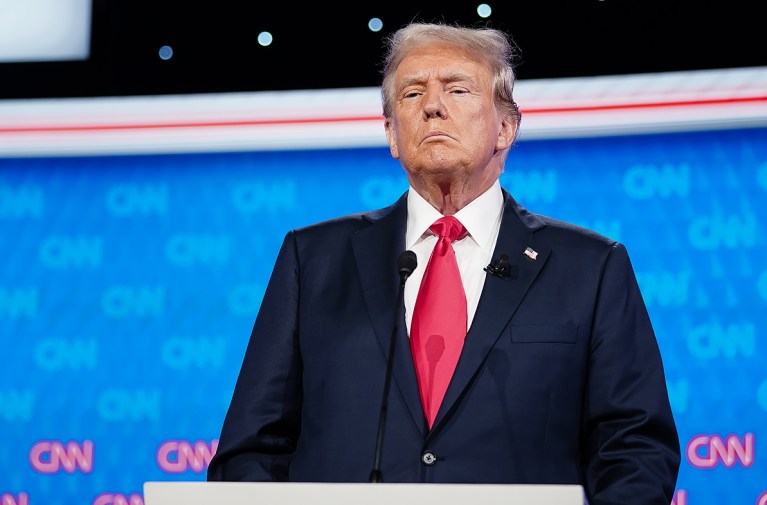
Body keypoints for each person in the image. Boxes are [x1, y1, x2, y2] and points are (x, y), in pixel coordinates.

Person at [207, 21, 681, 503]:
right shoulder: (312, 260)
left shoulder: (591, 268)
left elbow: (635, 449)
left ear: (506, 127)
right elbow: (251, 451)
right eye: (412, 95)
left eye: (457, 88)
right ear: (392, 135)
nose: (433, 105)